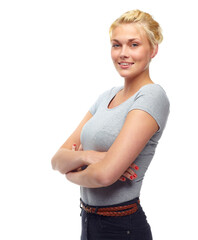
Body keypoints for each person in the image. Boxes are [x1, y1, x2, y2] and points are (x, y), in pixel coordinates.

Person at [51, 9, 170, 240]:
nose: (123, 53)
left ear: (153, 49)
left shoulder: (151, 96)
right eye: (117, 45)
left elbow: (104, 176)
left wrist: (70, 174)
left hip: (122, 227)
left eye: (134, 44)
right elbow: (57, 159)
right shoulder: (106, 96)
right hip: (88, 222)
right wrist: (89, 157)